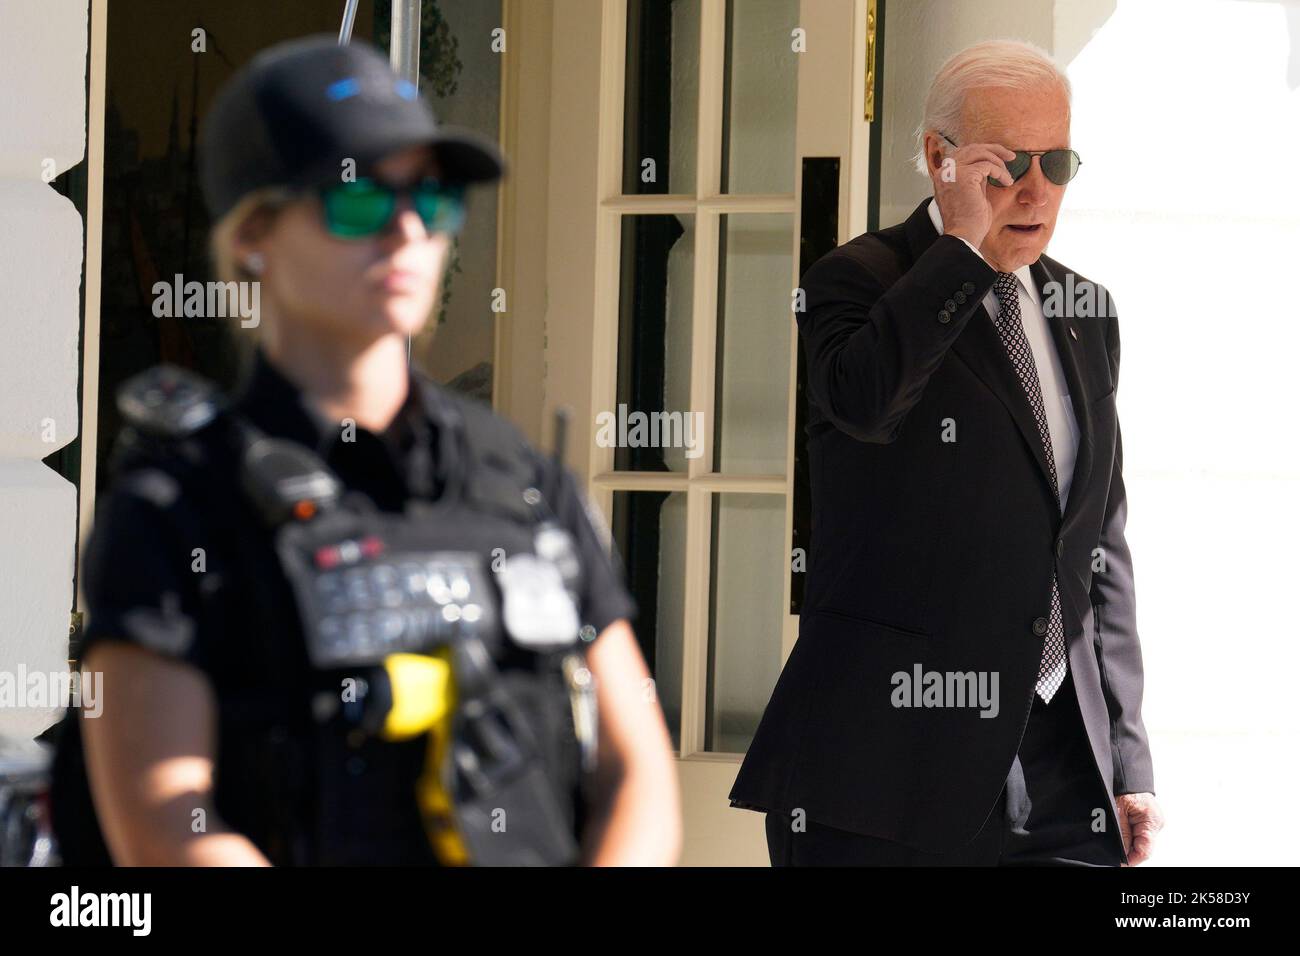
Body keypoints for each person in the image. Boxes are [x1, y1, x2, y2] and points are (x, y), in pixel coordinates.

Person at [50, 35, 680, 866]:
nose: (408, 227)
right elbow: (168, 827)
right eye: (358, 202)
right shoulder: (175, 510)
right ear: (253, 237)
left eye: (434, 198)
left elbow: (638, 772)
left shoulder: (524, 483)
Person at [730, 39, 1163, 866]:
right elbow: (866, 405)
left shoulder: (1086, 309)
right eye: (1006, 167)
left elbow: (1098, 540)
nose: (1036, 190)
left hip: (1061, 775)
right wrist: (961, 250)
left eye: (1057, 161)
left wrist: (1127, 759)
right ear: (941, 159)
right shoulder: (853, 280)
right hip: (885, 768)